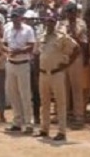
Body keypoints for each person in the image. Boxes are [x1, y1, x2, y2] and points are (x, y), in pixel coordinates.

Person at [36, 13, 79, 141]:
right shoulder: (41, 36)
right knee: (44, 102)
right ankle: (44, 129)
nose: (49, 24)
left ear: (55, 23)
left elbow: (76, 49)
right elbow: (37, 53)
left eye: (51, 21)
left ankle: (61, 131)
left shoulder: (62, 37)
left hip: (56, 72)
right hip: (43, 72)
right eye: (47, 21)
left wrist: (67, 65)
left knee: (60, 102)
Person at [3, 8, 36, 134]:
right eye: (13, 17)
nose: (14, 19)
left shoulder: (28, 29)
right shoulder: (8, 29)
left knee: (25, 95)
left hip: (23, 63)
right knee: (13, 94)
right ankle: (17, 121)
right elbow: (4, 43)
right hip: (10, 63)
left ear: (21, 18)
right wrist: (7, 50)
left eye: (17, 17)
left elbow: (31, 46)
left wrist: (19, 51)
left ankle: (29, 123)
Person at [61, 2, 88, 127]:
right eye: (68, 12)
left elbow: (78, 37)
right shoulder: (61, 24)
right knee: (64, 87)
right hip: (65, 56)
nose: (69, 14)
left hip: (76, 56)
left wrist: (71, 27)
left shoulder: (81, 23)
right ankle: (64, 113)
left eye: (71, 12)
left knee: (76, 87)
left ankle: (78, 115)